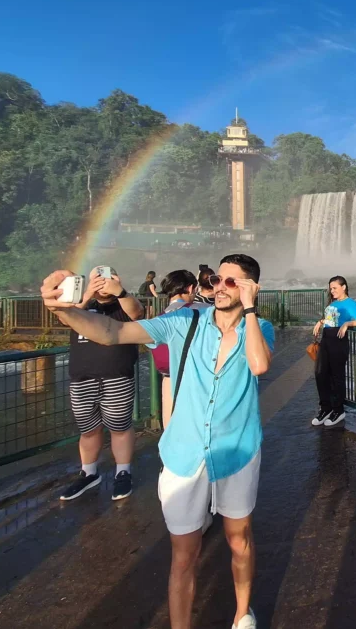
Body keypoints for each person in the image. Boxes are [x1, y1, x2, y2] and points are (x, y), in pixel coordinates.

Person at [40, 254, 274, 629]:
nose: (219, 287)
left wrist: (248, 310)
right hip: (184, 452)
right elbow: (113, 333)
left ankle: (242, 612)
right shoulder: (184, 321)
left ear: (251, 288)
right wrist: (60, 311)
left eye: (232, 281)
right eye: (215, 279)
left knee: (239, 539)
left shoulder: (259, 327)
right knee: (184, 555)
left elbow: (260, 365)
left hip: (238, 450)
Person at [60, 267, 144, 502]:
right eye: (97, 278)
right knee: (88, 430)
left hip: (117, 376)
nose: (102, 283)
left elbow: (138, 313)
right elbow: (64, 315)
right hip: (82, 377)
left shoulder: (123, 305)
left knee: (120, 426)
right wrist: (87, 294)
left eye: (107, 278)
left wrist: (121, 292)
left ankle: (123, 471)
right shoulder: (81, 306)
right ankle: (88, 473)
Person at [153, 270, 211, 430]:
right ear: (191, 288)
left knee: (172, 428)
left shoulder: (161, 316)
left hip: (169, 379)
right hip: (197, 378)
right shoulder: (204, 310)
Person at [311, 276, 356, 427]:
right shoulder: (334, 303)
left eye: (335, 287)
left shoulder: (352, 304)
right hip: (326, 340)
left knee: (337, 377)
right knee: (320, 374)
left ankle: (338, 410)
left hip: (339, 341)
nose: (332, 291)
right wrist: (321, 321)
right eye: (331, 288)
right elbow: (331, 319)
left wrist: (348, 323)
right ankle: (326, 408)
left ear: (344, 287)